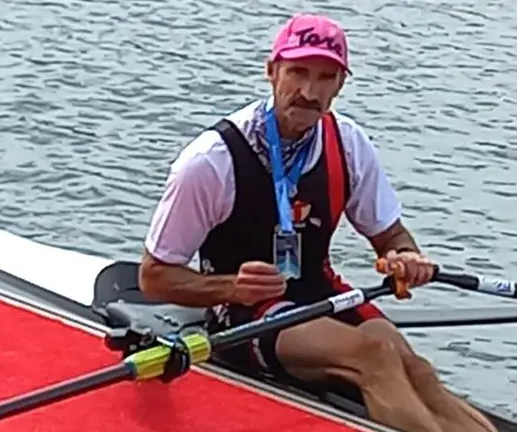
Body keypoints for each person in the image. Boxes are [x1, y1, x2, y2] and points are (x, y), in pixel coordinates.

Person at [139, 13, 497, 432]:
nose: (309, 92)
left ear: (340, 84)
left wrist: (405, 257)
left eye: (325, 77)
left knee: (416, 368)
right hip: (241, 309)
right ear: (271, 72)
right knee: (374, 357)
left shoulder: (348, 143)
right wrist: (229, 286)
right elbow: (154, 276)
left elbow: (390, 235)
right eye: (297, 73)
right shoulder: (209, 162)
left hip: (319, 289)